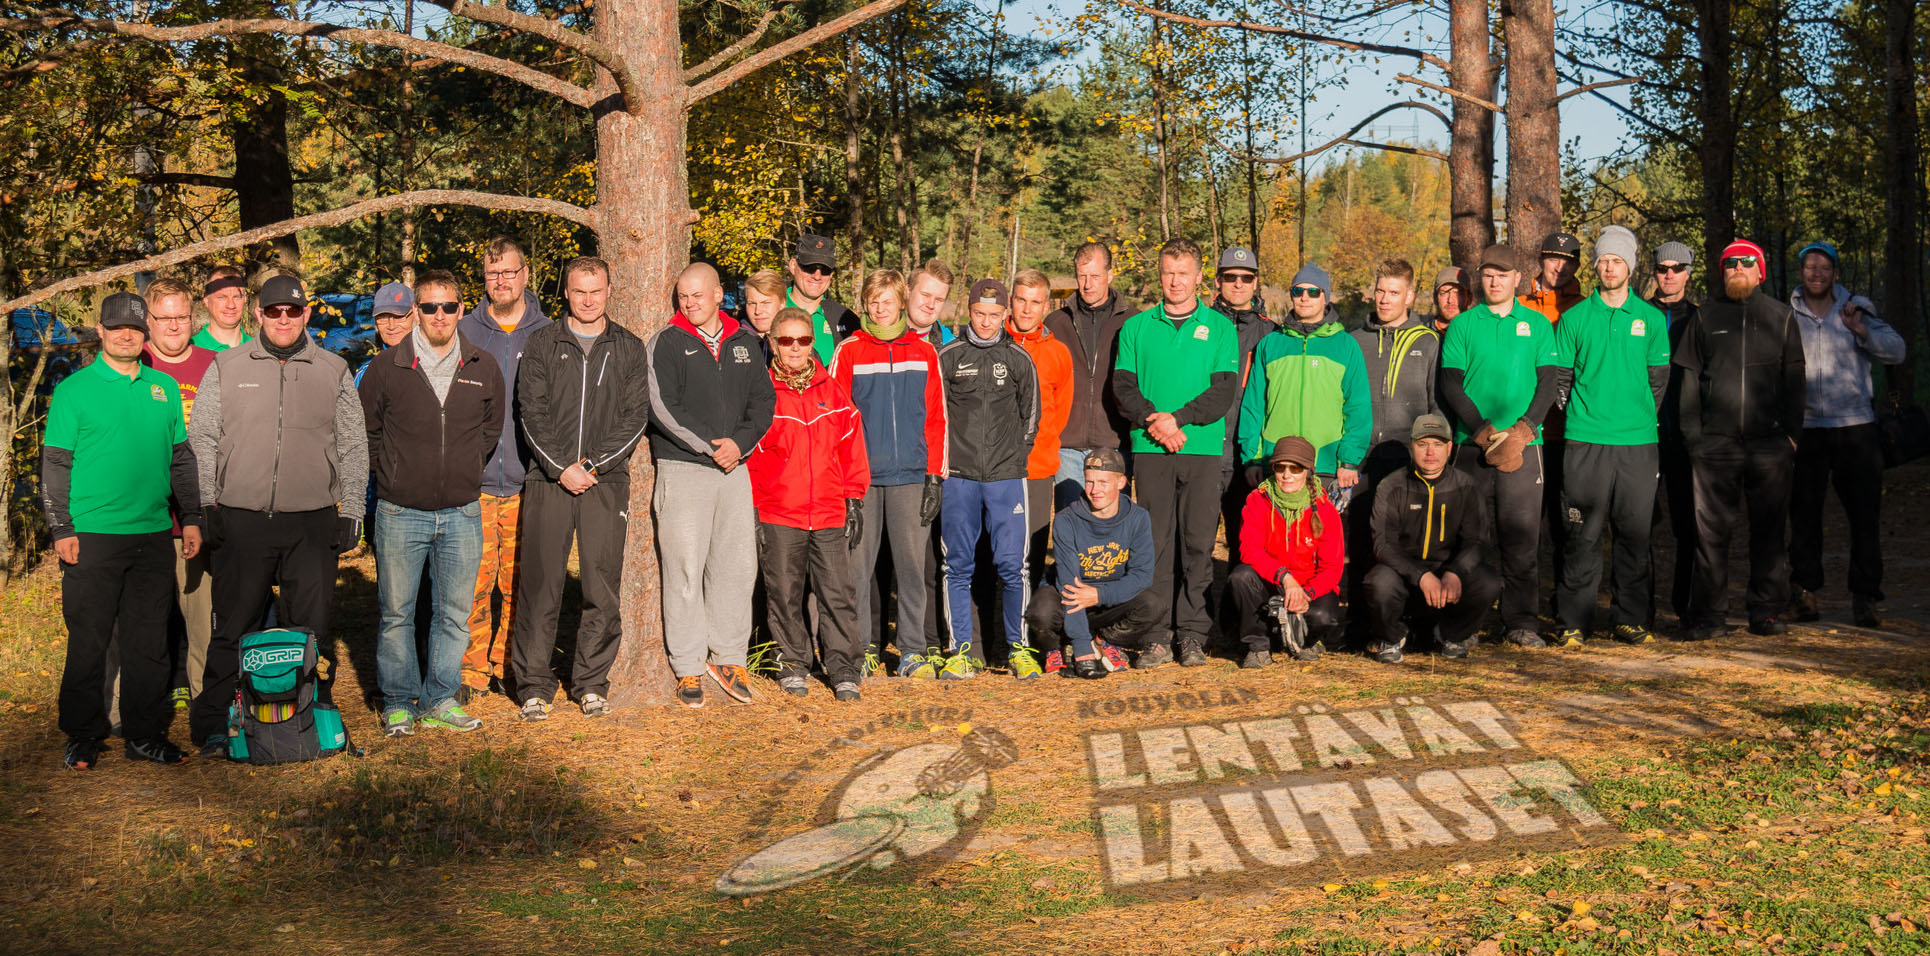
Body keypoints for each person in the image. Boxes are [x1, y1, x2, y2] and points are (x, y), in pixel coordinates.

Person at [187, 274, 368, 757]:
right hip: (242, 519)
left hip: (312, 521)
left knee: (311, 630)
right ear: (258, 314)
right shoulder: (227, 366)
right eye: (273, 311)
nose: (283, 319)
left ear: (306, 314)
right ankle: (214, 723)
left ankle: (307, 717)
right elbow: (202, 438)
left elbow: (353, 444)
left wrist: (352, 508)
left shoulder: (333, 369)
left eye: (292, 311)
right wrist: (206, 504)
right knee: (233, 627)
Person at [45, 292, 203, 768]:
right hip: (91, 536)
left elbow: (180, 460)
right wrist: (61, 528)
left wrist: (191, 517)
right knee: (89, 641)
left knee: (148, 643)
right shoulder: (74, 390)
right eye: (116, 328)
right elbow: (55, 464)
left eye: (134, 328)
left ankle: (145, 735)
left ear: (144, 332)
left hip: (152, 534)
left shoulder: (163, 388)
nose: (126, 336)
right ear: (101, 331)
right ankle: (83, 735)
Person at [359, 269, 505, 737]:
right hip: (401, 512)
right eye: (428, 306)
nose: (439, 315)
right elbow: (368, 433)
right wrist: (394, 475)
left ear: (461, 309)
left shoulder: (482, 366)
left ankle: (440, 697)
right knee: (397, 614)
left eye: (448, 306)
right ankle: (399, 702)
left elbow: (489, 431)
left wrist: (464, 471)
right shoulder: (387, 368)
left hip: (462, 511)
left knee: (454, 615)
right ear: (416, 312)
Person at [514, 257, 650, 719]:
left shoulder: (628, 347)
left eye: (596, 290)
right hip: (548, 479)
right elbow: (530, 413)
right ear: (566, 293)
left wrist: (590, 464)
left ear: (609, 290)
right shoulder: (542, 342)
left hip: (605, 482)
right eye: (579, 291)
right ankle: (534, 685)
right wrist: (560, 467)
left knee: (600, 584)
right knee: (541, 585)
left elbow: (635, 417)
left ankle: (591, 682)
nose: (588, 300)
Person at [648, 261, 776, 707]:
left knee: (736, 566)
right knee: (684, 568)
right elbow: (662, 405)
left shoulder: (744, 341)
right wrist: (710, 446)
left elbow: (764, 401)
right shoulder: (667, 341)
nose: (689, 303)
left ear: (719, 294)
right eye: (683, 296)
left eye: (698, 295)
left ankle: (728, 657)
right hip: (685, 468)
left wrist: (739, 444)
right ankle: (688, 664)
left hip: (735, 468)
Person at [1672, 239, 1807, 640]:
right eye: (1730, 263)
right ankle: (1710, 615)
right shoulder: (1705, 316)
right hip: (1715, 444)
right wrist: (1693, 439)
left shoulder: (1782, 317)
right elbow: (1688, 381)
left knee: (1770, 531)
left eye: (1746, 263)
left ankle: (1765, 611)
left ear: (1760, 271)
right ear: (1721, 272)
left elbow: (1796, 381)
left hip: (1770, 444)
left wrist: (1792, 438)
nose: (1737, 269)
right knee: (1710, 535)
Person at [1114, 238, 1237, 668]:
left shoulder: (1220, 327)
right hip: (1150, 450)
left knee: (1198, 544)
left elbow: (1223, 392)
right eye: (1168, 272)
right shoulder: (1137, 327)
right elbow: (1123, 388)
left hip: (1201, 450)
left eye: (1183, 273)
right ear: (1159, 275)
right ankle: (1156, 635)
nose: (1175, 281)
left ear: (1199, 276)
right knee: (1155, 544)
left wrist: (1179, 419)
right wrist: (1156, 422)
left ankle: (1192, 634)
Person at [1551, 226, 1670, 647]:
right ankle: (1574, 621)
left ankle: (1629, 619)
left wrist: (1635, 417)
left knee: (1634, 535)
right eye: (1603, 260)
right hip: (1586, 441)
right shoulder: (1575, 318)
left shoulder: (1651, 319)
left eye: (1617, 261)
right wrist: (1584, 416)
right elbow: (1561, 380)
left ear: (1630, 267)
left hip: (1638, 444)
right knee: (1581, 535)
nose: (1609, 268)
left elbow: (1658, 382)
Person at [1437, 244, 1561, 649]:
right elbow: (1451, 384)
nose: (1494, 281)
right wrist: (1482, 432)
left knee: (1521, 539)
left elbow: (1548, 384)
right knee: (1468, 538)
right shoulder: (1463, 325)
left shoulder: (1537, 324)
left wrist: (1524, 431)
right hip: (1472, 447)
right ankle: (1466, 623)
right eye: (1488, 274)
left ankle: (1521, 623)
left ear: (1516, 279)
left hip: (1524, 448)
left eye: (1502, 275)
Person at [750, 309, 871, 700]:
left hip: (829, 510)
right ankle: (792, 664)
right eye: (786, 340)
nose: (795, 348)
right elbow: (751, 457)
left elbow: (851, 446)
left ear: (812, 344)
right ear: (773, 344)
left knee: (837, 594)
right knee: (784, 593)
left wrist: (853, 498)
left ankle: (844, 668)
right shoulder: (762, 392)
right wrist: (753, 509)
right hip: (779, 512)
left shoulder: (830, 391)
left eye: (803, 340)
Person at [831, 269, 947, 678]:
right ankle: (861, 648)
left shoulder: (924, 351)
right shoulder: (849, 351)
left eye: (887, 301)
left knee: (912, 569)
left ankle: (912, 650)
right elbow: (836, 420)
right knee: (857, 571)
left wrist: (934, 476)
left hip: (912, 477)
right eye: (872, 302)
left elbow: (937, 418)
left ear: (901, 302)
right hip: (862, 480)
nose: (880, 309)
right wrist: (843, 485)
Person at [1786, 241, 1907, 628]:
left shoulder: (1856, 309)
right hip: (1806, 431)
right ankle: (1804, 593)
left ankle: (1865, 596)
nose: (1816, 273)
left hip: (1855, 429)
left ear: (1835, 274)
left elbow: (1897, 351)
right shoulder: (1787, 315)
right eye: (1810, 267)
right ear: (1801, 272)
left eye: (1824, 267)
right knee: (1804, 516)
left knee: (1864, 517)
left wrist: (1861, 331)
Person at [459, 236, 554, 703]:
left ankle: (508, 665)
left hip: (527, 482)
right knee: (472, 585)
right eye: (493, 273)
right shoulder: (464, 331)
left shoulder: (548, 332)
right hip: (472, 483)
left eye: (509, 272)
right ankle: (471, 671)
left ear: (525, 275)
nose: (501, 281)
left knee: (518, 583)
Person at [936, 279, 1041, 679]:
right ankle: (960, 650)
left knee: (1013, 567)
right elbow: (936, 414)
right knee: (957, 566)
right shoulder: (948, 356)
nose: (985, 322)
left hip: (1005, 478)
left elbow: (1031, 416)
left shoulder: (1018, 358)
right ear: (968, 311)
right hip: (959, 478)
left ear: (1005, 315)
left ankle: (1019, 649)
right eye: (979, 313)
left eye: (994, 315)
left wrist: (1012, 459)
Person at [1347, 258, 1439, 642]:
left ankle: (1414, 627)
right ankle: (1358, 627)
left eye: (1394, 293)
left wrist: (1430, 457)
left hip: (1406, 457)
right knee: (1360, 541)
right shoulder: (1355, 340)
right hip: (1362, 457)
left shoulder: (1427, 341)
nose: (1385, 299)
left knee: (1408, 544)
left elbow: (1436, 406)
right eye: (1380, 291)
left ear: (1410, 296)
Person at [1362, 415, 1500, 662]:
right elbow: (1383, 544)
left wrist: (1455, 572)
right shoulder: (1391, 486)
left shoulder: (1466, 486)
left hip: (1448, 576)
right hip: (1405, 575)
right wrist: (1420, 575)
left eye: (1437, 444)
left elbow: (1478, 541)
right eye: (1422, 444)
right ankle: (1392, 638)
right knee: (1378, 581)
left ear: (1449, 447)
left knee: (1489, 581)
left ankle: (1450, 635)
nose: (1430, 452)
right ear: (1411, 446)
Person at [138, 278, 215, 710]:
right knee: (144, 619)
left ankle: (208, 708)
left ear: (193, 319)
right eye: (163, 317)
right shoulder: (133, 363)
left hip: (198, 513)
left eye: (181, 317)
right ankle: (142, 707)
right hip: (143, 515)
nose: (173, 326)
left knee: (202, 618)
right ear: (148, 321)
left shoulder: (215, 364)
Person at [1023, 449, 1159, 679]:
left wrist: (1099, 594)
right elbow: (1069, 584)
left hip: (1107, 598)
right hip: (1069, 597)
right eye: (1089, 482)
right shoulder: (1066, 519)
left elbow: (1142, 575)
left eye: (1103, 482)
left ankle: (1104, 641)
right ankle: (1055, 647)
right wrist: (1081, 647)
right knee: (1040, 613)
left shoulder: (1138, 518)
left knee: (1152, 605)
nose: (1095, 490)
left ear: (1121, 482)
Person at [1237, 262, 1371, 493]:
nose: (1304, 297)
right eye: (1298, 291)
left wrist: (1349, 460)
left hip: (1325, 463)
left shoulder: (1346, 345)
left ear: (1325, 297)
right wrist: (1253, 458)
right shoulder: (1270, 344)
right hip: (1277, 463)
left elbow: (1358, 407)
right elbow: (1254, 405)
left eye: (1313, 292)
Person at [1225, 436, 1344, 666]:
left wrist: (1307, 594)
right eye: (1280, 467)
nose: (1287, 475)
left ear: (1308, 471)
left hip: (1308, 586)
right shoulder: (1257, 500)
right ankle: (1258, 646)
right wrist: (1285, 578)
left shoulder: (1325, 509)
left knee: (1323, 617)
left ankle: (1307, 641)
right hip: (1270, 582)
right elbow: (1249, 550)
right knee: (1240, 577)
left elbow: (1332, 568)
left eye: (1295, 468)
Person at [1046, 241, 1136, 509]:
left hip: (1115, 443)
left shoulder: (1133, 322)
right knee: (1071, 521)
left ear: (1110, 275)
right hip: (1068, 446)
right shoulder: (1056, 323)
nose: (1087, 284)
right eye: (1082, 276)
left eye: (1095, 276)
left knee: (1111, 526)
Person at [1211, 245, 1277, 595]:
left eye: (1246, 277)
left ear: (1255, 282)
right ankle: (1195, 619)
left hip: (1249, 455)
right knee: (1196, 542)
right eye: (1231, 277)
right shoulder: (1200, 325)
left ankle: (1238, 618)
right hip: (1206, 450)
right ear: (1218, 280)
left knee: (1245, 544)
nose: (1238, 283)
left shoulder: (1271, 333)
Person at [1006, 269, 1075, 605]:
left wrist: (1041, 445)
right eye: (1021, 300)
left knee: (1031, 551)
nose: (1027, 309)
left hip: (1037, 467)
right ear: (1011, 301)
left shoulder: (1057, 353)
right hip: (993, 470)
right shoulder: (994, 343)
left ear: (1046, 306)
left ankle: (1027, 622)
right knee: (992, 548)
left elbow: (1060, 412)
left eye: (1035, 302)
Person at [1648, 241, 1700, 627]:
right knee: (1638, 526)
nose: (1669, 274)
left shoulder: (1700, 318)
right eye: (1663, 268)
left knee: (1689, 525)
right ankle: (1639, 611)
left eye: (1677, 268)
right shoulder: (1637, 314)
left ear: (1688, 274)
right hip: (1641, 436)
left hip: (1686, 437)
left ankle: (1687, 607)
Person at [787, 234, 856, 364]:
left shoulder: (847, 320)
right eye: (810, 267)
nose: (817, 276)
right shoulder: (765, 311)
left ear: (831, 274)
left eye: (825, 270)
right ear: (793, 266)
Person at [192, 265, 251, 352]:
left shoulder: (258, 350)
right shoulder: (191, 349)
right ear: (206, 300)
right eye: (222, 297)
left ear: (245, 299)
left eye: (236, 297)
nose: (231, 305)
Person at [905, 259, 956, 347]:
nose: (931, 305)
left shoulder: (951, 348)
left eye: (938, 300)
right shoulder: (882, 335)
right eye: (925, 295)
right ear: (908, 291)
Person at [742, 268, 787, 351]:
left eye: (765, 303)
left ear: (782, 304)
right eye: (752, 303)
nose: (757, 311)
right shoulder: (733, 342)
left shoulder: (799, 341)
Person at [1427, 266, 1471, 334]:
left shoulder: (1479, 335)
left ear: (1469, 298)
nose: (1450, 300)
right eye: (1444, 292)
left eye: (1458, 293)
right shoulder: (1421, 336)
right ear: (1435, 298)